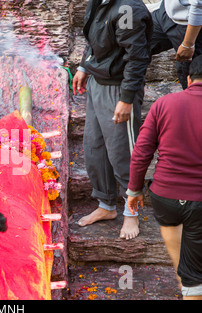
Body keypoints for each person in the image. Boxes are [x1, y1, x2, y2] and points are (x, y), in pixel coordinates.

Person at [72, 0, 153, 240]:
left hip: (118, 88)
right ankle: (106, 205)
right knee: (94, 147)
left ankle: (131, 211)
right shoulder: (98, 1)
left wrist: (127, 98)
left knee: (122, 153)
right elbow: (93, 41)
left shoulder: (127, 8)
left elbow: (137, 57)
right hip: (98, 81)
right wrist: (84, 66)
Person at [127, 55, 202, 300]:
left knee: (181, 248)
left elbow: (141, 152)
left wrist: (134, 190)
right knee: (194, 272)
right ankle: (191, 286)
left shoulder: (163, 103)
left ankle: (186, 282)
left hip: (164, 197)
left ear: (189, 79)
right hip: (198, 202)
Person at [148, 0, 202, 89]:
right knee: (134, 47)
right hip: (166, 12)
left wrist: (188, 44)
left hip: (191, 23)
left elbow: (198, 4)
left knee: (191, 78)